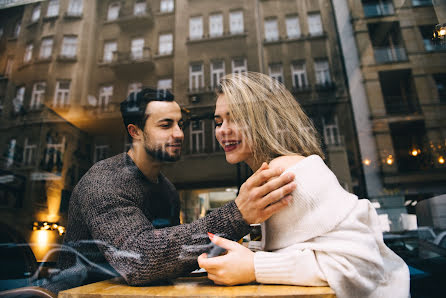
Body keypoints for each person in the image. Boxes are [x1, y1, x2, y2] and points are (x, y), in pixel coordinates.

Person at [45, 87, 296, 294]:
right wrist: (236, 215)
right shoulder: (103, 182)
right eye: (166, 125)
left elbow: (171, 258)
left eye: (180, 124)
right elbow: (140, 260)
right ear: (135, 132)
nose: (178, 134)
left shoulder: (167, 190)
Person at [198, 72, 410, 298]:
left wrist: (255, 266)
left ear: (264, 119)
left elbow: (362, 265)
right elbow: (305, 247)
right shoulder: (270, 175)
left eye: (236, 118)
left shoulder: (291, 173)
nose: (222, 130)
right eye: (219, 122)